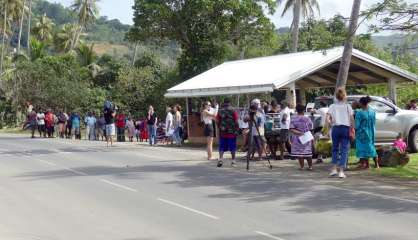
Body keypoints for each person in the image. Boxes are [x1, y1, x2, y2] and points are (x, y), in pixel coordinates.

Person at [327, 88, 354, 179]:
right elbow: (351, 119)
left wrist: (330, 124)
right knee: (344, 150)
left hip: (335, 128)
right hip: (345, 129)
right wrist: (353, 128)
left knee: (334, 149)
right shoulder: (348, 106)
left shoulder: (332, 106)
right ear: (344, 96)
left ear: (336, 97)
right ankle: (341, 171)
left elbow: (327, 118)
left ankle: (334, 169)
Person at [355, 96, 379, 169]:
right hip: (371, 132)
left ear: (361, 103)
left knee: (364, 148)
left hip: (362, 133)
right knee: (371, 147)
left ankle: (367, 165)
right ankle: (376, 164)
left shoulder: (359, 113)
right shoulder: (372, 112)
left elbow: (357, 125)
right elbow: (374, 122)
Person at [290, 104, 314, 170]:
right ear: (304, 110)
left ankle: (302, 166)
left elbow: (291, 129)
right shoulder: (307, 118)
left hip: (297, 137)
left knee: (299, 153)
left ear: (296, 110)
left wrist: (299, 132)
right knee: (308, 152)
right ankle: (310, 166)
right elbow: (311, 128)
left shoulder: (293, 118)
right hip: (307, 136)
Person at [216, 98, 239, 167]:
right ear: (229, 103)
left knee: (222, 147)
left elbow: (217, 121)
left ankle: (220, 160)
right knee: (232, 147)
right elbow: (236, 121)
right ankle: (233, 161)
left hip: (223, 132)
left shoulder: (220, 111)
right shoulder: (233, 110)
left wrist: (220, 127)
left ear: (224, 102)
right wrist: (237, 129)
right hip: (231, 132)